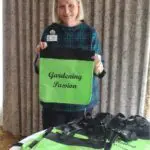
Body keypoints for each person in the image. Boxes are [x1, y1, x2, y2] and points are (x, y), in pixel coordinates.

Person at [35, 0, 105, 129]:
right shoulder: (50, 31)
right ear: (56, 8)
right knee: (52, 143)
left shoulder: (90, 34)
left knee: (78, 145)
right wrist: (41, 57)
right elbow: (39, 69)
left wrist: (98, 65)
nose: (66, 11)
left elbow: (100, 72)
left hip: (81, 104)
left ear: (79, 6)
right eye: (62, 6)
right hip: (54, 103)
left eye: (70, 5)